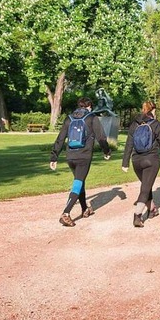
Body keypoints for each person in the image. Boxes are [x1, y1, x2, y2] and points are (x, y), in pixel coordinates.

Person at [50, 97, 111, 227]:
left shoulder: (69, 118)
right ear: (89, 106)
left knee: (80, 180)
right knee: (78, 182)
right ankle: (66, 213)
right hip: (84, 156)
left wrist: (54, 156)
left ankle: (85, 209)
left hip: (70, 157)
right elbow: (101, 137)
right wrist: (106, 151)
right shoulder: (92, 117)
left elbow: (60, 139)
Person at [122, 101, 160, 228]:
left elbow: (129, 144)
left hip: (136, 161)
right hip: (151, 160)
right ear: (153, 110)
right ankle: (137, 216)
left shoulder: (134, 124)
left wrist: (125, 163)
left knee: (146, 186)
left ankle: (152, 209)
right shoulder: (156, 124)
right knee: (145, 189)